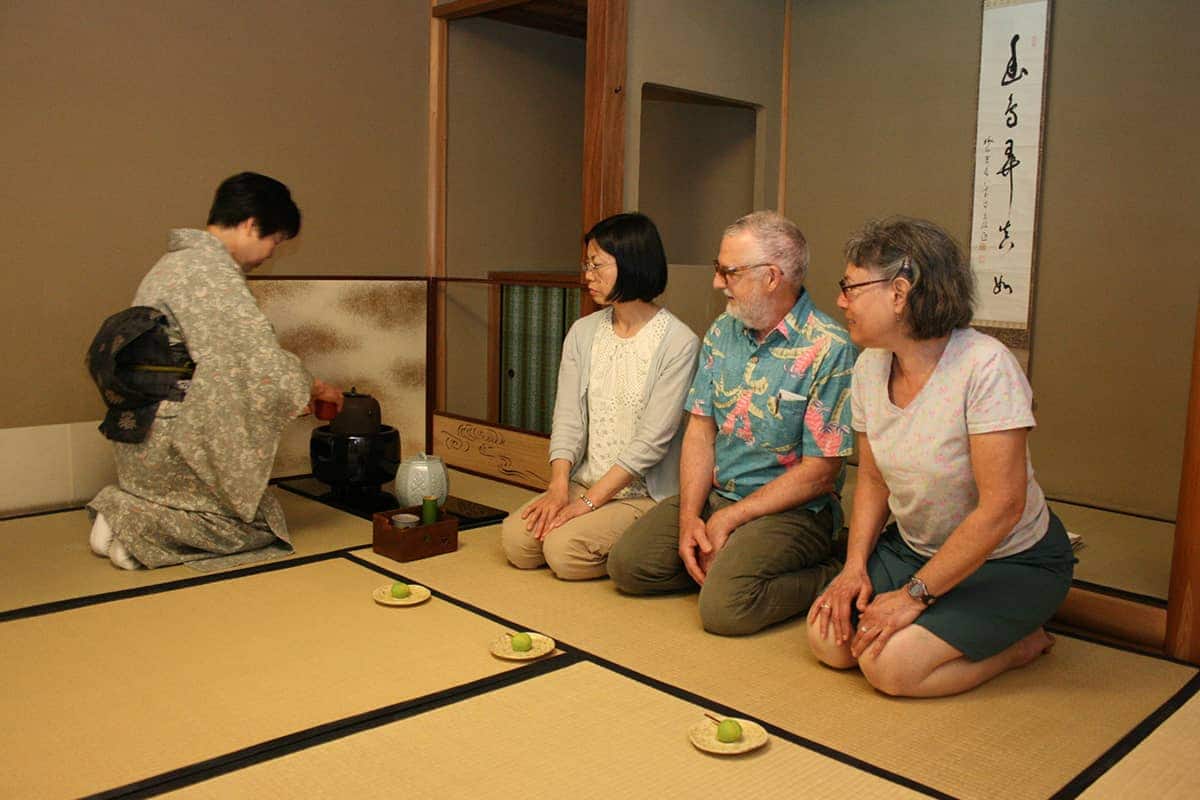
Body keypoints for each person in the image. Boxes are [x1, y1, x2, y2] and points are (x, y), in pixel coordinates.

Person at [806, 216, 1075, 697]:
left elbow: (1002, 507)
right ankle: (946, 621)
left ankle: (1020, 646)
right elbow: (873, 481)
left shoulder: (985, 366)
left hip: (1010, 560)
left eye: (850, 287)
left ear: (900, 292)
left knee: (890, 668)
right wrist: (854, 568)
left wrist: (914, 596)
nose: (841, 301)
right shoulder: (869, 366)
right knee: (828, 639)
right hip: (913, 547)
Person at [607, 211, 856, 635]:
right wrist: (691, 517)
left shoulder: (829, 346)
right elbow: (700, 430)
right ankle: (725, 566)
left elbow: (820, 473)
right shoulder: (723, 330)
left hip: (792, 512)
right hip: (719, 495)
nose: (717, 282)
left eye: (729, 272)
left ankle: (830, 569)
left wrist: (731, 519)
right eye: (718, 268)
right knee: (628, 566)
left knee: (724, 611)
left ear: (772, 277)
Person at [87, 172, 343, 570]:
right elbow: (257, 360)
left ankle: (124, 515)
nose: (271, 254)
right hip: (171, 442)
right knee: (257, 525)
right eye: (274, 241)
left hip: (139, 437)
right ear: (251, 225)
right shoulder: (209, 272)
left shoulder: (170, 266)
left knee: (244, 508)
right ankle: (135, 527)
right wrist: (315, 387)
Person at [500, 213, 700, 580]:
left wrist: (588, 504)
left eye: (597, 265)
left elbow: (652, 441)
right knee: (517, 543)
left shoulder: (678, 342)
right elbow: (567, 416)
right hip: (584, 480)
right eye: (586, 265)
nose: (587, 275)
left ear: (631, 263)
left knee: (563, 553)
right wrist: (559, 487)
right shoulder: (583, 332)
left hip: (642, 493)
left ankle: (647, 548)